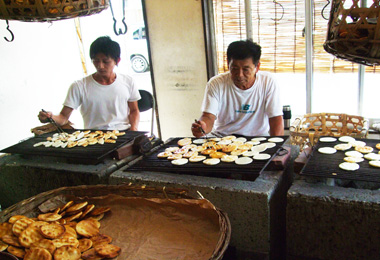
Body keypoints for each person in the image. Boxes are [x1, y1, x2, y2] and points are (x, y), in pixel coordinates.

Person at [38, 36, 140, 131]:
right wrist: (50, 117)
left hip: (124, 133)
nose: (100, 66)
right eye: (96, 61)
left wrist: (134, 131)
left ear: (117, 61)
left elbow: (134, 111)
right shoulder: (79, 86)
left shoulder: (128, 81)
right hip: (94, 137)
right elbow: (63, 117)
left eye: (106, 61)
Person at [191, 39, 284, 137]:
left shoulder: (268, 82)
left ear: (257, 67)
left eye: (246, 69)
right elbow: (208, 116)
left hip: (257, 139)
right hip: (222, 138)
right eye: (234, 68)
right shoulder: (216, 83)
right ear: (228, 64)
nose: (239, 75)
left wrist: (278, 146)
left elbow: (275, 118)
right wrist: (203, 127)